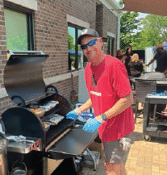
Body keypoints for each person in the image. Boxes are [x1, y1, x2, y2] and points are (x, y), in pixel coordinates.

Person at [66, 28, 135, 175]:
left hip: (118, 128)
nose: (88, 48)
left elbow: (128, 99)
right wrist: (78, 110)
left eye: (91, 43)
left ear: (100, 42)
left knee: (111, 168)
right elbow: (95, 96)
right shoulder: (88, 69)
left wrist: (101, 118)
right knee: (116, 165)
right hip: (105, 126)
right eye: (84, 46)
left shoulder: (114, 65)